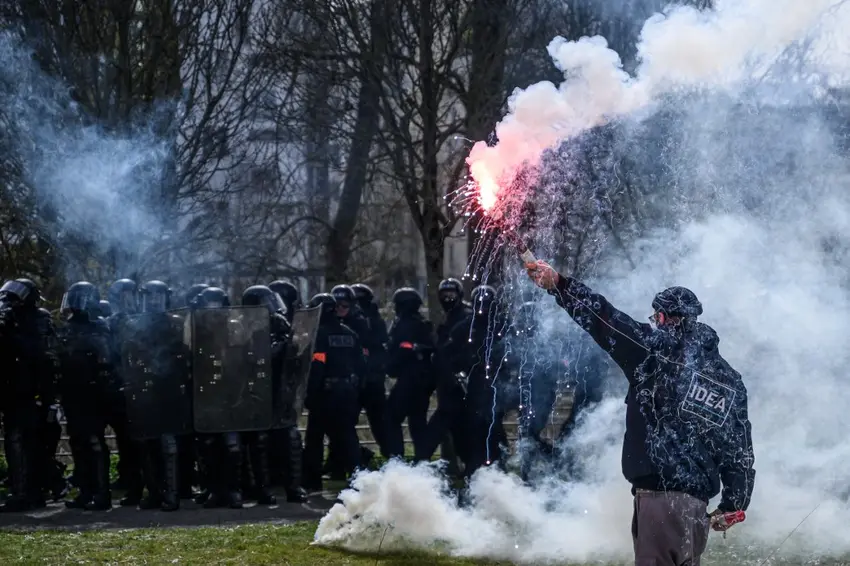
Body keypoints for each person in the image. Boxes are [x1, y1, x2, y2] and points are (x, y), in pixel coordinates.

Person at [526, 260, 755, 566]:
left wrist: (560, 285)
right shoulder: (728, 380)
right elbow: (737, 448)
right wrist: (735, 502)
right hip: (697, 505)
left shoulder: (656, 353)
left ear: (662, 317)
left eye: (655, 317)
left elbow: (605, 320)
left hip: (660, 497)